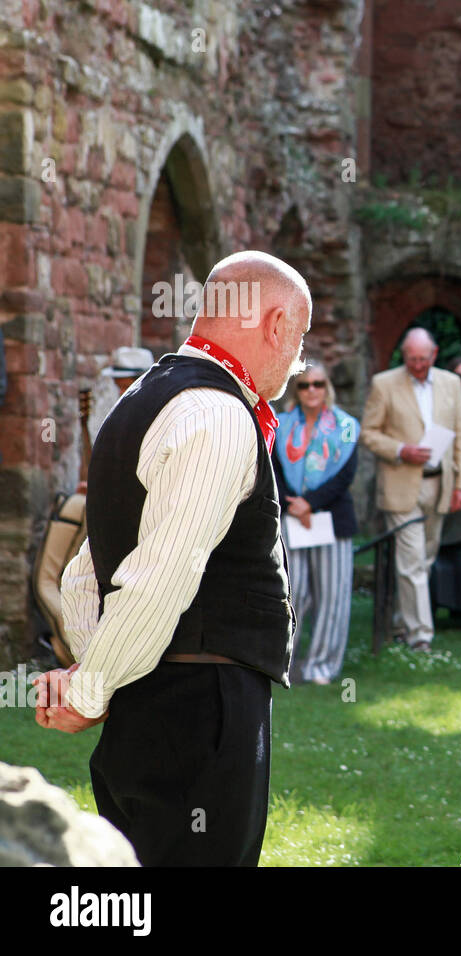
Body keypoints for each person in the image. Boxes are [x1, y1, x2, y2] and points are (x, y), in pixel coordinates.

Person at [38, 250, 311, 866]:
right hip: (202, 709)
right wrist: (94, 687)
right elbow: (159, 576)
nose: (299, 362)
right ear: (273, 326)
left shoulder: (139, 399)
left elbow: (88, 570)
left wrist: (100, 681)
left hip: (144, 707)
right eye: (300, 339)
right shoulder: (216, 412)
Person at [360, 328, 461, 651]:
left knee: (423, 560)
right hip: (400, 482)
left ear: (434, 355)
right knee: (411, 560)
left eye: (423, 359)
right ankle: (421, 637)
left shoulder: (450, 384)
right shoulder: (384, 383)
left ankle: (399, 623)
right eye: (411, 360)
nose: (417, 365)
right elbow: (368, 433)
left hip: (439, 483)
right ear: (404, 356)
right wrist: (400, 449)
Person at [272, 359, 359, 685]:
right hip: (293, 519)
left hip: (331, 520)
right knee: (293, 595)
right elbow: (273, 470)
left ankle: (322, 666)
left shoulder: (347, 425)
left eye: (318, 384)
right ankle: (286, 664)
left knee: (333, 595)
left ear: (327, 389)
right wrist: (295, 504)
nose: (312, 391)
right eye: (305, 384)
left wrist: (312, 503)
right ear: (296, 388)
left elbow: (347, 475)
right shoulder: (281, 424)